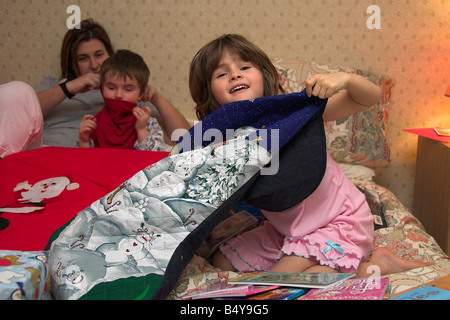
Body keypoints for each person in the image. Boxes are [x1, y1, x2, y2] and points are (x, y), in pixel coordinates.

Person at [188, 34, 428, 278]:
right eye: (221, 74)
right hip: (286, 230)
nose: (235, 75)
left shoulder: (295, 115)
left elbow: (370, 97)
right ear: (210, 93)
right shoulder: (222, 141)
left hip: (337, 222)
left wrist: (345, 80)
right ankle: (325, 264)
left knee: (278, 281)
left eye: (244, 67)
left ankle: (377, 265)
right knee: (221, 261)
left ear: (264, 74)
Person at [34, 18, 190, 148]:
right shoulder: (53, 86)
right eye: (83, 58)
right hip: (52, 160)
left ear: (109, 54)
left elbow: (185, 138)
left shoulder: (129, 98)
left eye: (99, 55)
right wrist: (69, 88)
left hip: (104, 165)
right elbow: (21, 114)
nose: (94, 65)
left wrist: (157, 98)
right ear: (71, 62)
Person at [79, 49, 166, 151]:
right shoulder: (94, 123)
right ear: (102, 88)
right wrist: (84, 141)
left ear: (140, 94)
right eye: (111, 88)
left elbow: (157, 160)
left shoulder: (149, 123)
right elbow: (86, 162)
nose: (118, 95)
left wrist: (141, 130)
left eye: (128, 89)